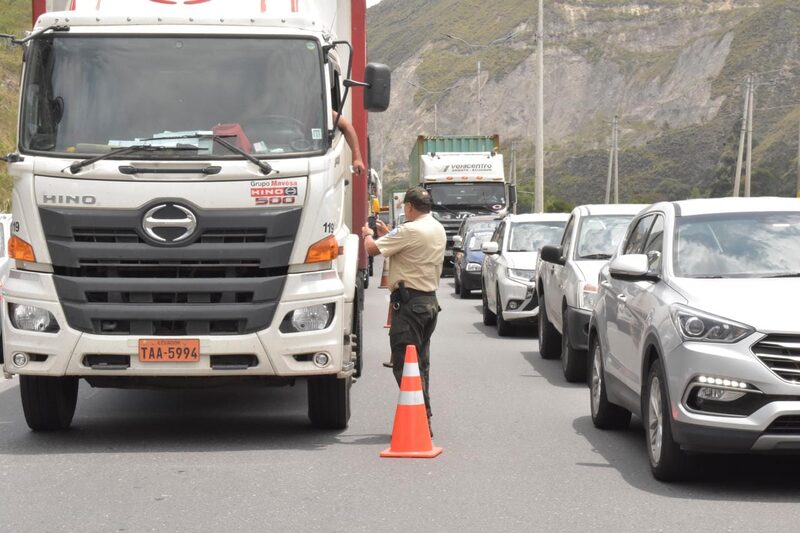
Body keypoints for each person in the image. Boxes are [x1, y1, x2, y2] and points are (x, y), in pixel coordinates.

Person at [362, 187, 446, 432]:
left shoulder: (410, 229)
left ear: (409, 206)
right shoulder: (435, 227)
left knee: (404, 363)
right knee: (420, 364)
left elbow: (372, 250)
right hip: (428, 302)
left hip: (411, 305)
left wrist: (367, 234)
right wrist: (388, 234)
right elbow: (409, 249)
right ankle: (422, 415)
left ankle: (421, 418)